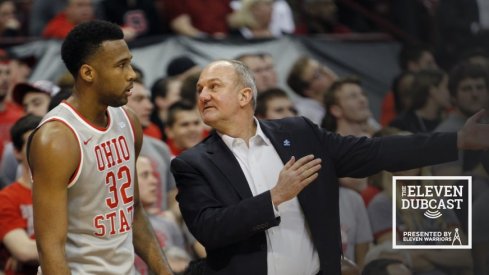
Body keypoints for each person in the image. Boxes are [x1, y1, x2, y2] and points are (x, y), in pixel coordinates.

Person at [170, 59, 489, 274]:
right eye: (199, 90)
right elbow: (210, 229)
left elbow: (376, 151)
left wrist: (457, 140)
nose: (203, 95)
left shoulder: (299, 134)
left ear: (244, 95)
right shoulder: (192, 163)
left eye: (213, 86)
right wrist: (274, 198)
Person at [27, 20, 173, 274]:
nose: (132, 74)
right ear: (88, 73)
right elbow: (50, 247)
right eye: (121, 65)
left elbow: (134, 213)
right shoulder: (57, 139)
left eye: (129, 62)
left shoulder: (129, 121)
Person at [0, 114, 42, 275]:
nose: (42, 146)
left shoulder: (68, 189)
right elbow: (24, 251)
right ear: (17, 152)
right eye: (33, 142)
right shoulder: (6, 198)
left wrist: (37, 251)